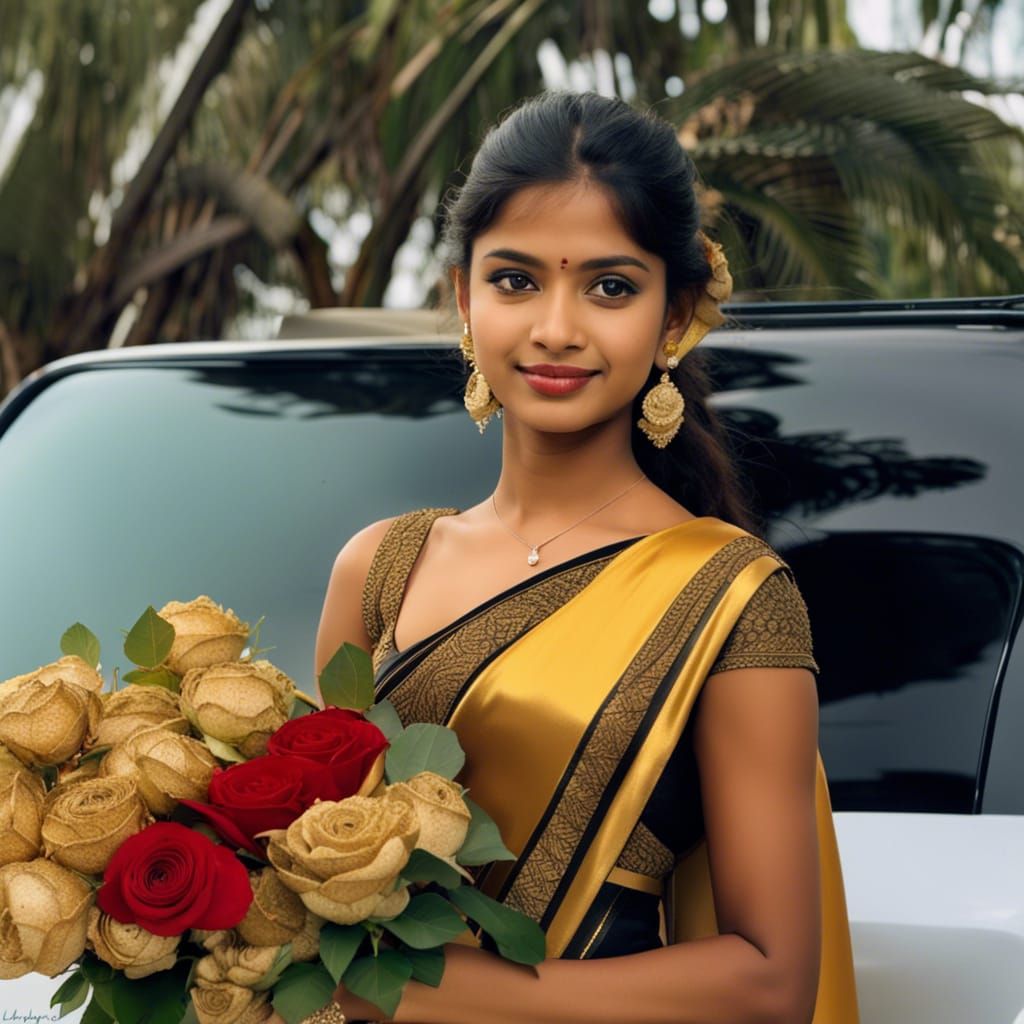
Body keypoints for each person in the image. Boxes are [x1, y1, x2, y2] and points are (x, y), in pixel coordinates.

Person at [305, 91, 859, 1023]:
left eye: (610, 286)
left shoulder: (733, 595)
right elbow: (306, 873)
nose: (557, 328)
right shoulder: (380, 569)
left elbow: (770, 982)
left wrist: (413, 993)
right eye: (516, 280)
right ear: (462, 298)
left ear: (674, 317)